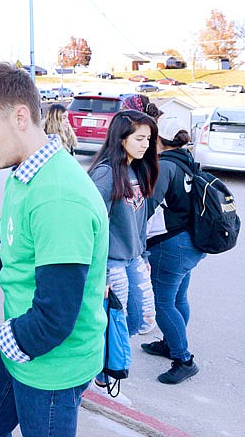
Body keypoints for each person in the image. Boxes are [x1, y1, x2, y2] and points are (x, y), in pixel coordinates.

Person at [0, 63, 109, 437]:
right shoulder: (24, 174)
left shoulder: (58, 199)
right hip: (14, 347)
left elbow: (52, 320)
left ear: (21, 117)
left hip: (52, 367)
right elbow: (1, 247)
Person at [87, 110, 159, 398]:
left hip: (134, 259)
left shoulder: (137, 169)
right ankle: (101, 370)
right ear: (122, 138)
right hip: (112, 263)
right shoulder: (105, 173)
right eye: (140, 138)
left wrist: (144, 256)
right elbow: (89, 224)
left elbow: (140, 220)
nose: (145, 145)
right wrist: (99, 272)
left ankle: (106, 362)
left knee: (142, 319)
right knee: (112, 322)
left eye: (149, 139)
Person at [141, 115, 205, 384]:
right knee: (179, 298)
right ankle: (170, 343)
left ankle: (183, 359)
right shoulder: (188, 161)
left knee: (163, 302)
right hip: (193, 242)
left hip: (172, 245)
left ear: (159, 139)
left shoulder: (164, 167)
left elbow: (146, 207)